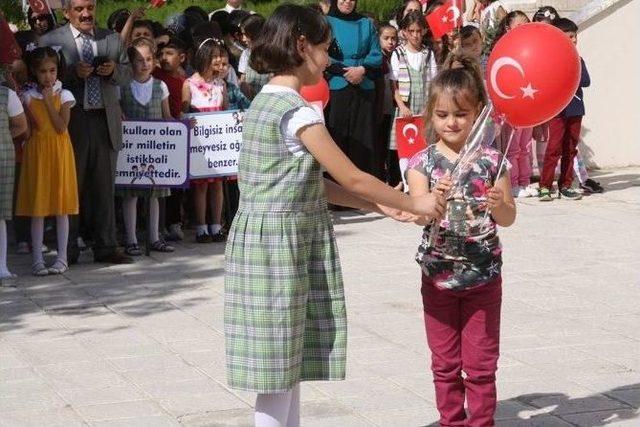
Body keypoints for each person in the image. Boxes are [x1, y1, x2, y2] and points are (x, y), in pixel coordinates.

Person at [224, 5, 446, 426]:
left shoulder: (262, 103)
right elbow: (353, 175)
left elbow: (312, 183)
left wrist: (379, 205)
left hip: (260, 241)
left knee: (283, 364)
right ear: (302, 46)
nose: (328, 62)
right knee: (276, 373)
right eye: (325, 51)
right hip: (282, 248)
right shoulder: (299, 111)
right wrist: (413, 203)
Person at [406, 59, 516, 426]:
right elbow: (420, 216)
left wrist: (501, 205)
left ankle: (482, 422)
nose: (452, 122)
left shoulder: (492, 161)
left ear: (477, 114)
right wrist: (432, 200)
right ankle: (451, 421)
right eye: (442, 114)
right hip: (438, 278)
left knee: (482, 365)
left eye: (461, 114)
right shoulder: (422, 163)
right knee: (445, 364)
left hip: (483, 278)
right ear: (431, 116)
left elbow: (508, 218)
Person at [39, 0, 133, 264]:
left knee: (104, 186)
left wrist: (114, 70)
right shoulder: (51, 40)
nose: (86, 13)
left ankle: (106, 246)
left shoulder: (112, 39)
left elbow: (128, 74)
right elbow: (40, 77)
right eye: (79, 9)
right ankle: (67, 249)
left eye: (90, 7)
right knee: (71, 186)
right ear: (67, 12)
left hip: (105, 118)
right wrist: (70, 73)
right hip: (72, 119)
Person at [15, 47, 78, 276]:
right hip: (37, 153)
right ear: (34, 71)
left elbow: (61, 127)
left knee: (61, 206)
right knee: (38, 207)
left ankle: (61, 258)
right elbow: (30, 130)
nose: (48, 76)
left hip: (59, 152)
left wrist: (50, 101)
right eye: (42, 72)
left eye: (52, 71)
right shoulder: (28, 96)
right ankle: (37, 260)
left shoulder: (65, 95)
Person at [117, 38, 175, 255]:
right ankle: (131, 239)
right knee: (130, 192)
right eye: (139, 60)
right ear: (130, 62)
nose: (145, 63)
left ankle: (154, 237)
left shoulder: (161, 86)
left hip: (155, 150)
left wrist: (181, 129)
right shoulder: (122, 87)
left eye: (149, 59)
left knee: (154, 193)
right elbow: (117, 114)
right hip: (131, 151)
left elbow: (167, 116)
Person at [325, 0, 383, 177]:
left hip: (363, 86)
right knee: (337, 137)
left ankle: (365, 192)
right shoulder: (324, 22)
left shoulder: (366, 24)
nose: (347, 2)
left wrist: (362, 70)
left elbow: (376, 54)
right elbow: (321, 53)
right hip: (336, 86)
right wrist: (346, 72)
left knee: (364, 139)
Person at [182, 37, 228, 243]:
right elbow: (183, 112)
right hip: (199, 141)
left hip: (218, 141)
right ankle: (201, 226)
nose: (219, 60)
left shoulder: (221, 84)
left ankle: (216, 225)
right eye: (215, 56)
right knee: (200, 185)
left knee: (217, 184)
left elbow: (225, 111)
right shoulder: (189, 84)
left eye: (220, 55)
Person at [539, 18, 591, 201]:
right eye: (570, 36)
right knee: (554, 148)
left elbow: (586, 81)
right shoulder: (552, 61)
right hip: (558, 110)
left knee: (570, 148)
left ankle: (566, 185)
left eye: (575, 36)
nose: (574, 39)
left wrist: (574, 66)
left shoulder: (578, 59)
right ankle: (545, 186)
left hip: (576, 109)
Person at [492, 11, 538, 198]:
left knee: (525, 146)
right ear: (508, 28)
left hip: (529, 102)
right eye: (519, 25)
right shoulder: (502, 48)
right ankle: (512, 183)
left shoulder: (531, 47)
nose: (523, 29)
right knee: (512, 147)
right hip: (512, 105)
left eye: (525, 24)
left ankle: (525, 182)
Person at [389, 11, 437, 184]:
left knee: (424, 143)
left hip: (424, 104)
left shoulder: (428, 53)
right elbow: (393, 84)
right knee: (404, 145)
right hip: (406, 106)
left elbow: (433, 82)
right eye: (411, 31)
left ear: (423, 31)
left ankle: (424, 179)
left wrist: (429, 106)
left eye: (419, 31)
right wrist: (401, 106)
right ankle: (403, 181)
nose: (416, 35)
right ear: (404, 32)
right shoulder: (398, 53)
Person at [153, 37, 188, 241]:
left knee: (175, 184)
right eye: (162, 54)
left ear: (182, 58)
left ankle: (174, 222)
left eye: (170, 54)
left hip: (176, 137)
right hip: (156, 136)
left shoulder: (185, 82)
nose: (164, 58)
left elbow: (185, 109)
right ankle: (156, 225)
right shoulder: (155, 75)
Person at [0, 74, 29, 282]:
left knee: (0, 214)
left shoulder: (7, 95)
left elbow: (21, 125)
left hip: (3, 158)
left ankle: (2, 265)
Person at [376, 23, 399, 184]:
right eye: (386, 38)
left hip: (392, 110)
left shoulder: (396, 56)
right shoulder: (378, 59)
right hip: (381, 110)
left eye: (393, 38)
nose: (391, 42)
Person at [237, 14, 269, 99]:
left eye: (245, 35)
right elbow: (243, 78)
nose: (243, 39)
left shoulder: (273, 53)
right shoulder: (246, 53)